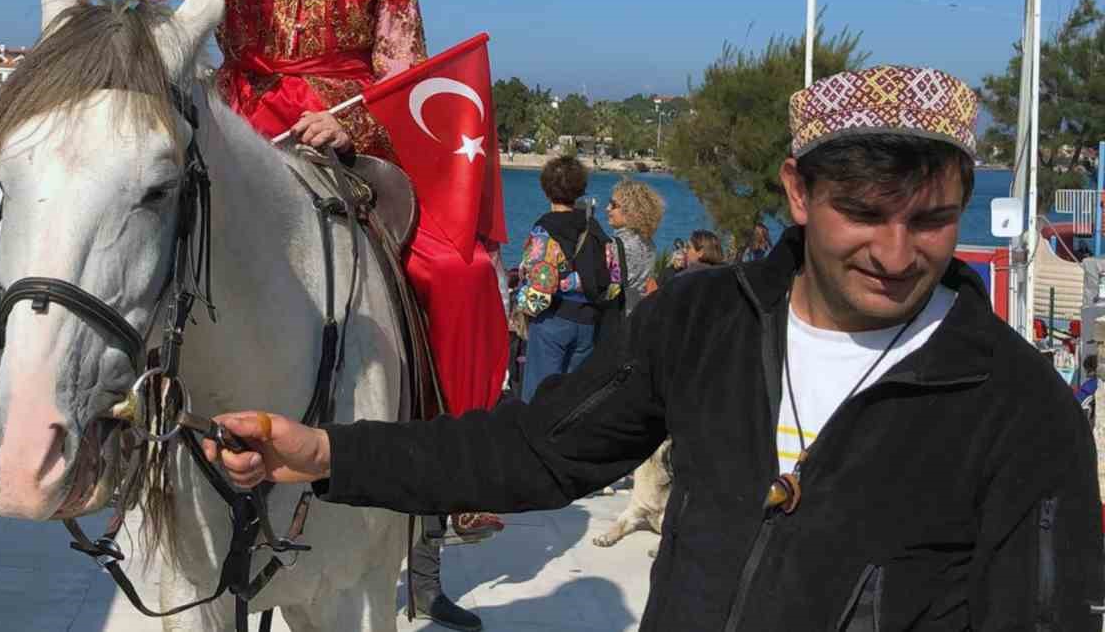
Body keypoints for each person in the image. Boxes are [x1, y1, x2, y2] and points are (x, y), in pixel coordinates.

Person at [204, 65, 1103, 630]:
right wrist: (326, 453)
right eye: (863, 213)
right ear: (797, 191)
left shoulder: (1019, 409)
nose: (898, 253)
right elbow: (533, 449)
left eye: (933, 219)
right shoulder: (704, 321)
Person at [127, 0, 501, 631]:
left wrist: (356, 122)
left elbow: (404, 68)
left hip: (343, 134)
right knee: (143, 243)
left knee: (452, 270)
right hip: (237, 122)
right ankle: (125, 445)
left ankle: (452, 472)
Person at [512, 156, 612, 402]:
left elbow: (541, 288)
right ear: (580, 190)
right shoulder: (593, 227)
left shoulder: (545, 230)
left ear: (546, 190)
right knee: (572, 400)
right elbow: (608, 272)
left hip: (553, 321)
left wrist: (520, 306)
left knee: (539, 398)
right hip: (588, 322)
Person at [604, 178, 665, 308]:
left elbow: (608, 287)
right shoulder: (649, 243)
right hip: (640, 310)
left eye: (613, 205)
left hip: (619, 311)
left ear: (630, 211)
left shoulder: (615, 245)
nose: (607, 208)